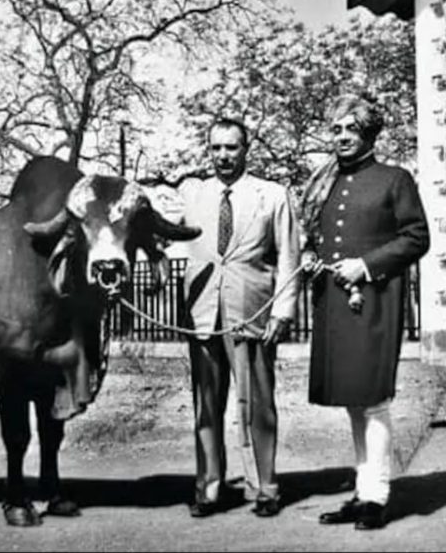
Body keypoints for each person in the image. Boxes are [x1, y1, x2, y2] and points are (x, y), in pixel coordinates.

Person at [299, 93, 430, 530]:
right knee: (354, 403)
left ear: (368, 133)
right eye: (335, 129)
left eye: (350, 129)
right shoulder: (325, 181)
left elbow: (416, 238)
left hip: (374, 299)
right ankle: (362, 490)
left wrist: (366, 265)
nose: (341, 137)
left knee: (372, 401)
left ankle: (377, 496)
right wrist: (312, 257)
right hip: (335, 301)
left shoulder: (395, 179)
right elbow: (322, 235)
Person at [179, 117, 300, 518]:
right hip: (203, 317)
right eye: (215, 148)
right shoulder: (193, 195)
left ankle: (265, 488)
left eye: (231, 148)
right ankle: (208, 488)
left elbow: (288, 257)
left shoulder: (271, 195)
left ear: (246, 149)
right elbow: (163, 234)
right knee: (206, 407)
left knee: (258, 406)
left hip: (253, 313)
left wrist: (283, 310)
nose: (223, 156)